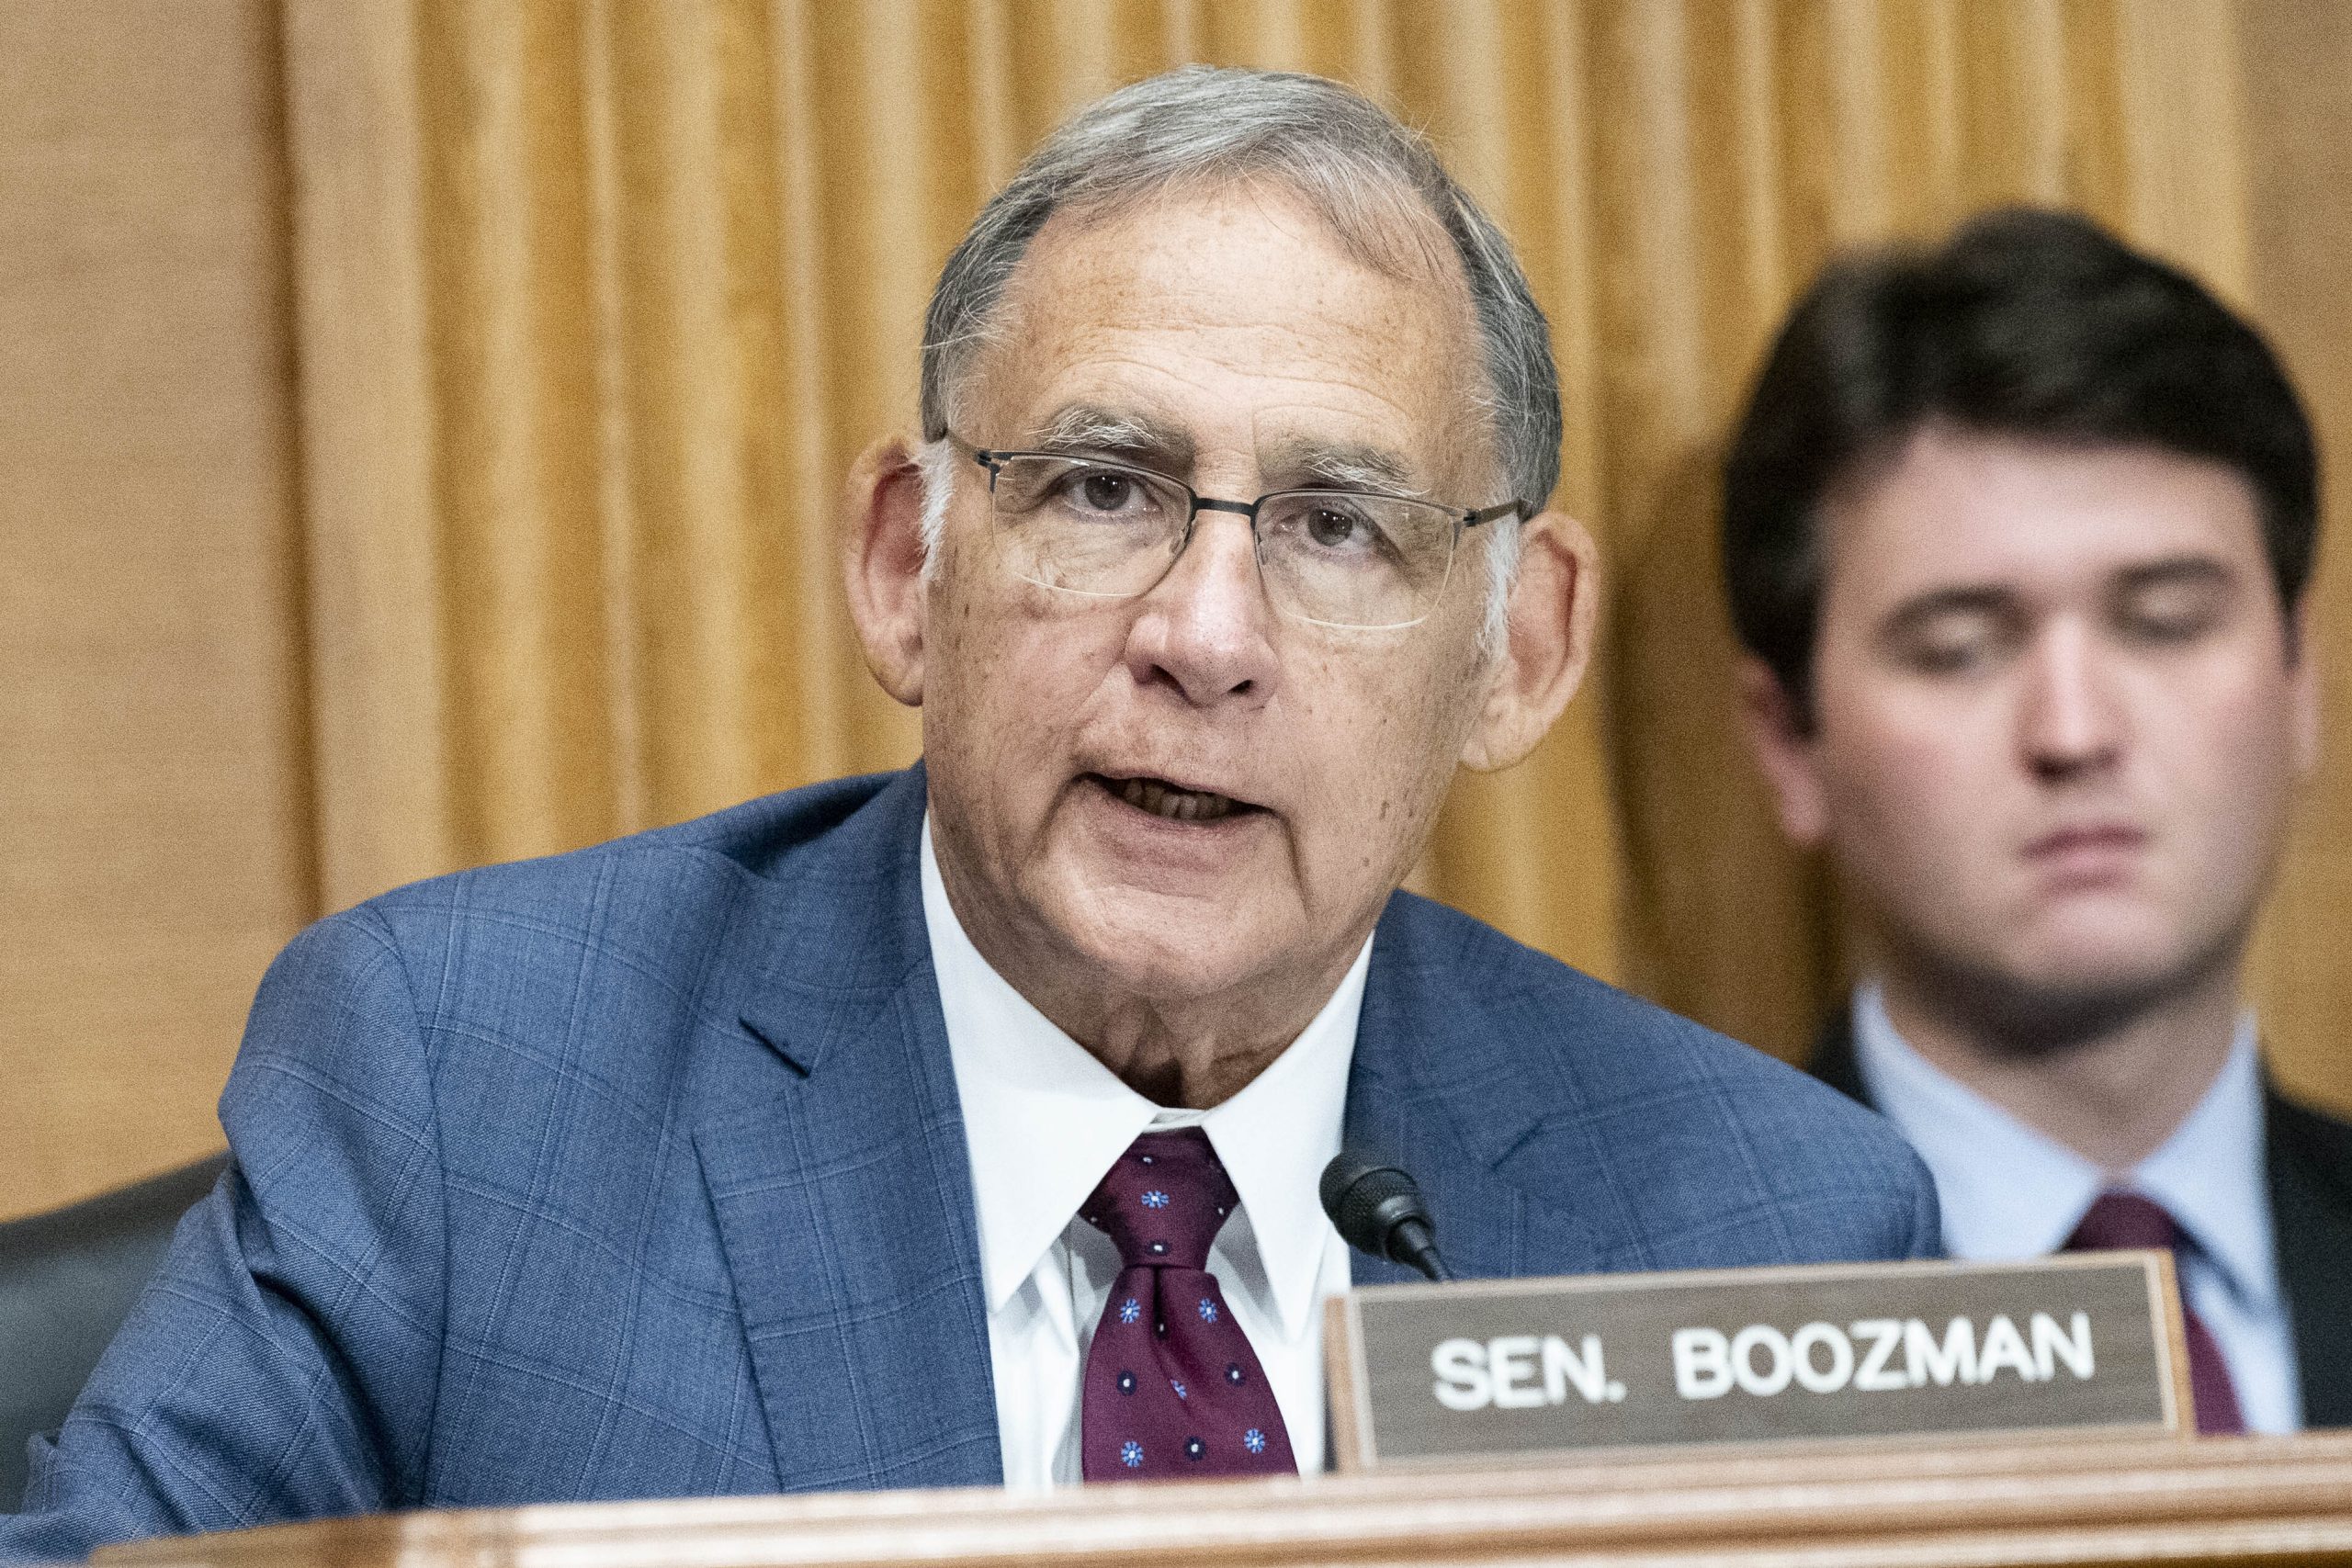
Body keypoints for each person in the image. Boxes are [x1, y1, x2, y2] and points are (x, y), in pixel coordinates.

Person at [3, 66, 1934, 1560]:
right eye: (1101, 487)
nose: (1200, 633)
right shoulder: (468, 1092)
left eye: (1339, 526)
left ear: (1514, 651)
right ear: (904, 563)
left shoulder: (1768, 1235)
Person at [1724, 208, 2352, 1435]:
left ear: (2299, 685)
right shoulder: (1635, 1323)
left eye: (2166, 622)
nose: (2073, 730)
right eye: (1959, 649)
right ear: (1789, 741)